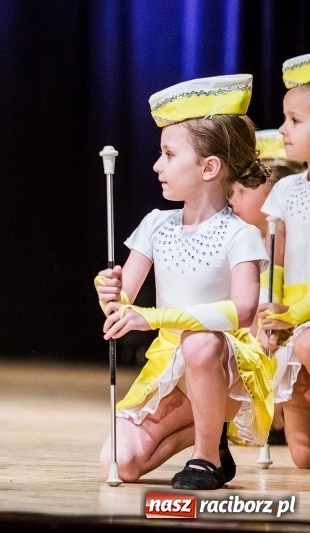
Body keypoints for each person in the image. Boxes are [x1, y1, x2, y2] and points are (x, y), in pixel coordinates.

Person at [95, 74, 274, 490]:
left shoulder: (239, 234)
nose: (157, 165)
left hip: (226, 363)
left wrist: (153, 317)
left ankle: (207, 456)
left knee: (200, 341)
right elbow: (123, 301)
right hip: (170, 366)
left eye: (169, 154)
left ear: (210, 167)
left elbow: (242, 311)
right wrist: (108, 290)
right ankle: (207, 432)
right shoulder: (156, 225)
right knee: (118, 462)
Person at [228, 128, 305, 446]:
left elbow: (279, 291)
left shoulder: (282, 236)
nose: (233, 199)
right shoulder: (244, 238)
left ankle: (279, 415)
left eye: (244, 191)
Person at [258, 53, 310, 468]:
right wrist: (268, 309)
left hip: (304, 320)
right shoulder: (288, 189)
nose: (282, 130)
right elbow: (273, 261)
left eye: (295, 120)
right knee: (302, 455)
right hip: (293, 319)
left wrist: (293, 315)